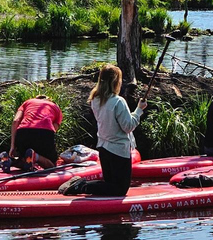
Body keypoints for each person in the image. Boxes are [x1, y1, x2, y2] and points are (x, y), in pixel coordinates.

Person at [58, 64, 147, 196]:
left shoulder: (95, 99)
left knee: (110, 184)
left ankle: (82, 185)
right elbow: (128, 126)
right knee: (120, 189)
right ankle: (83, 186)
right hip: (118, 150)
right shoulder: (118, 101)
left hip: (103, 148)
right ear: (115, 81)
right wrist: (139, 110)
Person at [0, 94, 62, 173]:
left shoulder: (27, 102)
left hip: (23, 131)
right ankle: (35, 157)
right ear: (49, 100)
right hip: (44, 132)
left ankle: (10, 161)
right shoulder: (55, 107)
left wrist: (12, 145)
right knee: (52, 166)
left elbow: (16, 121)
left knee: (24, 159)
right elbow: (54, 129)